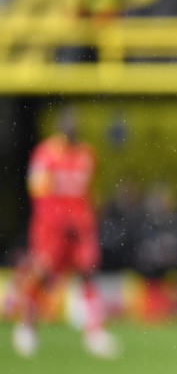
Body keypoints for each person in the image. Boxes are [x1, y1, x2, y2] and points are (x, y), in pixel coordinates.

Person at [11, 106, 120, 359]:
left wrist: (87, 218)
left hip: (79, 228)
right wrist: (59, 220)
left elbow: (88, 192)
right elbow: (38, 194)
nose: (72, 128)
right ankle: (27, 326)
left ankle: (94, 333)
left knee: (87, 274)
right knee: (41, 274)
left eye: (75, 124)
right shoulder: (45, 155)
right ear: (60, 127)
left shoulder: (86, 154)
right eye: (68, 124)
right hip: (51, 228)